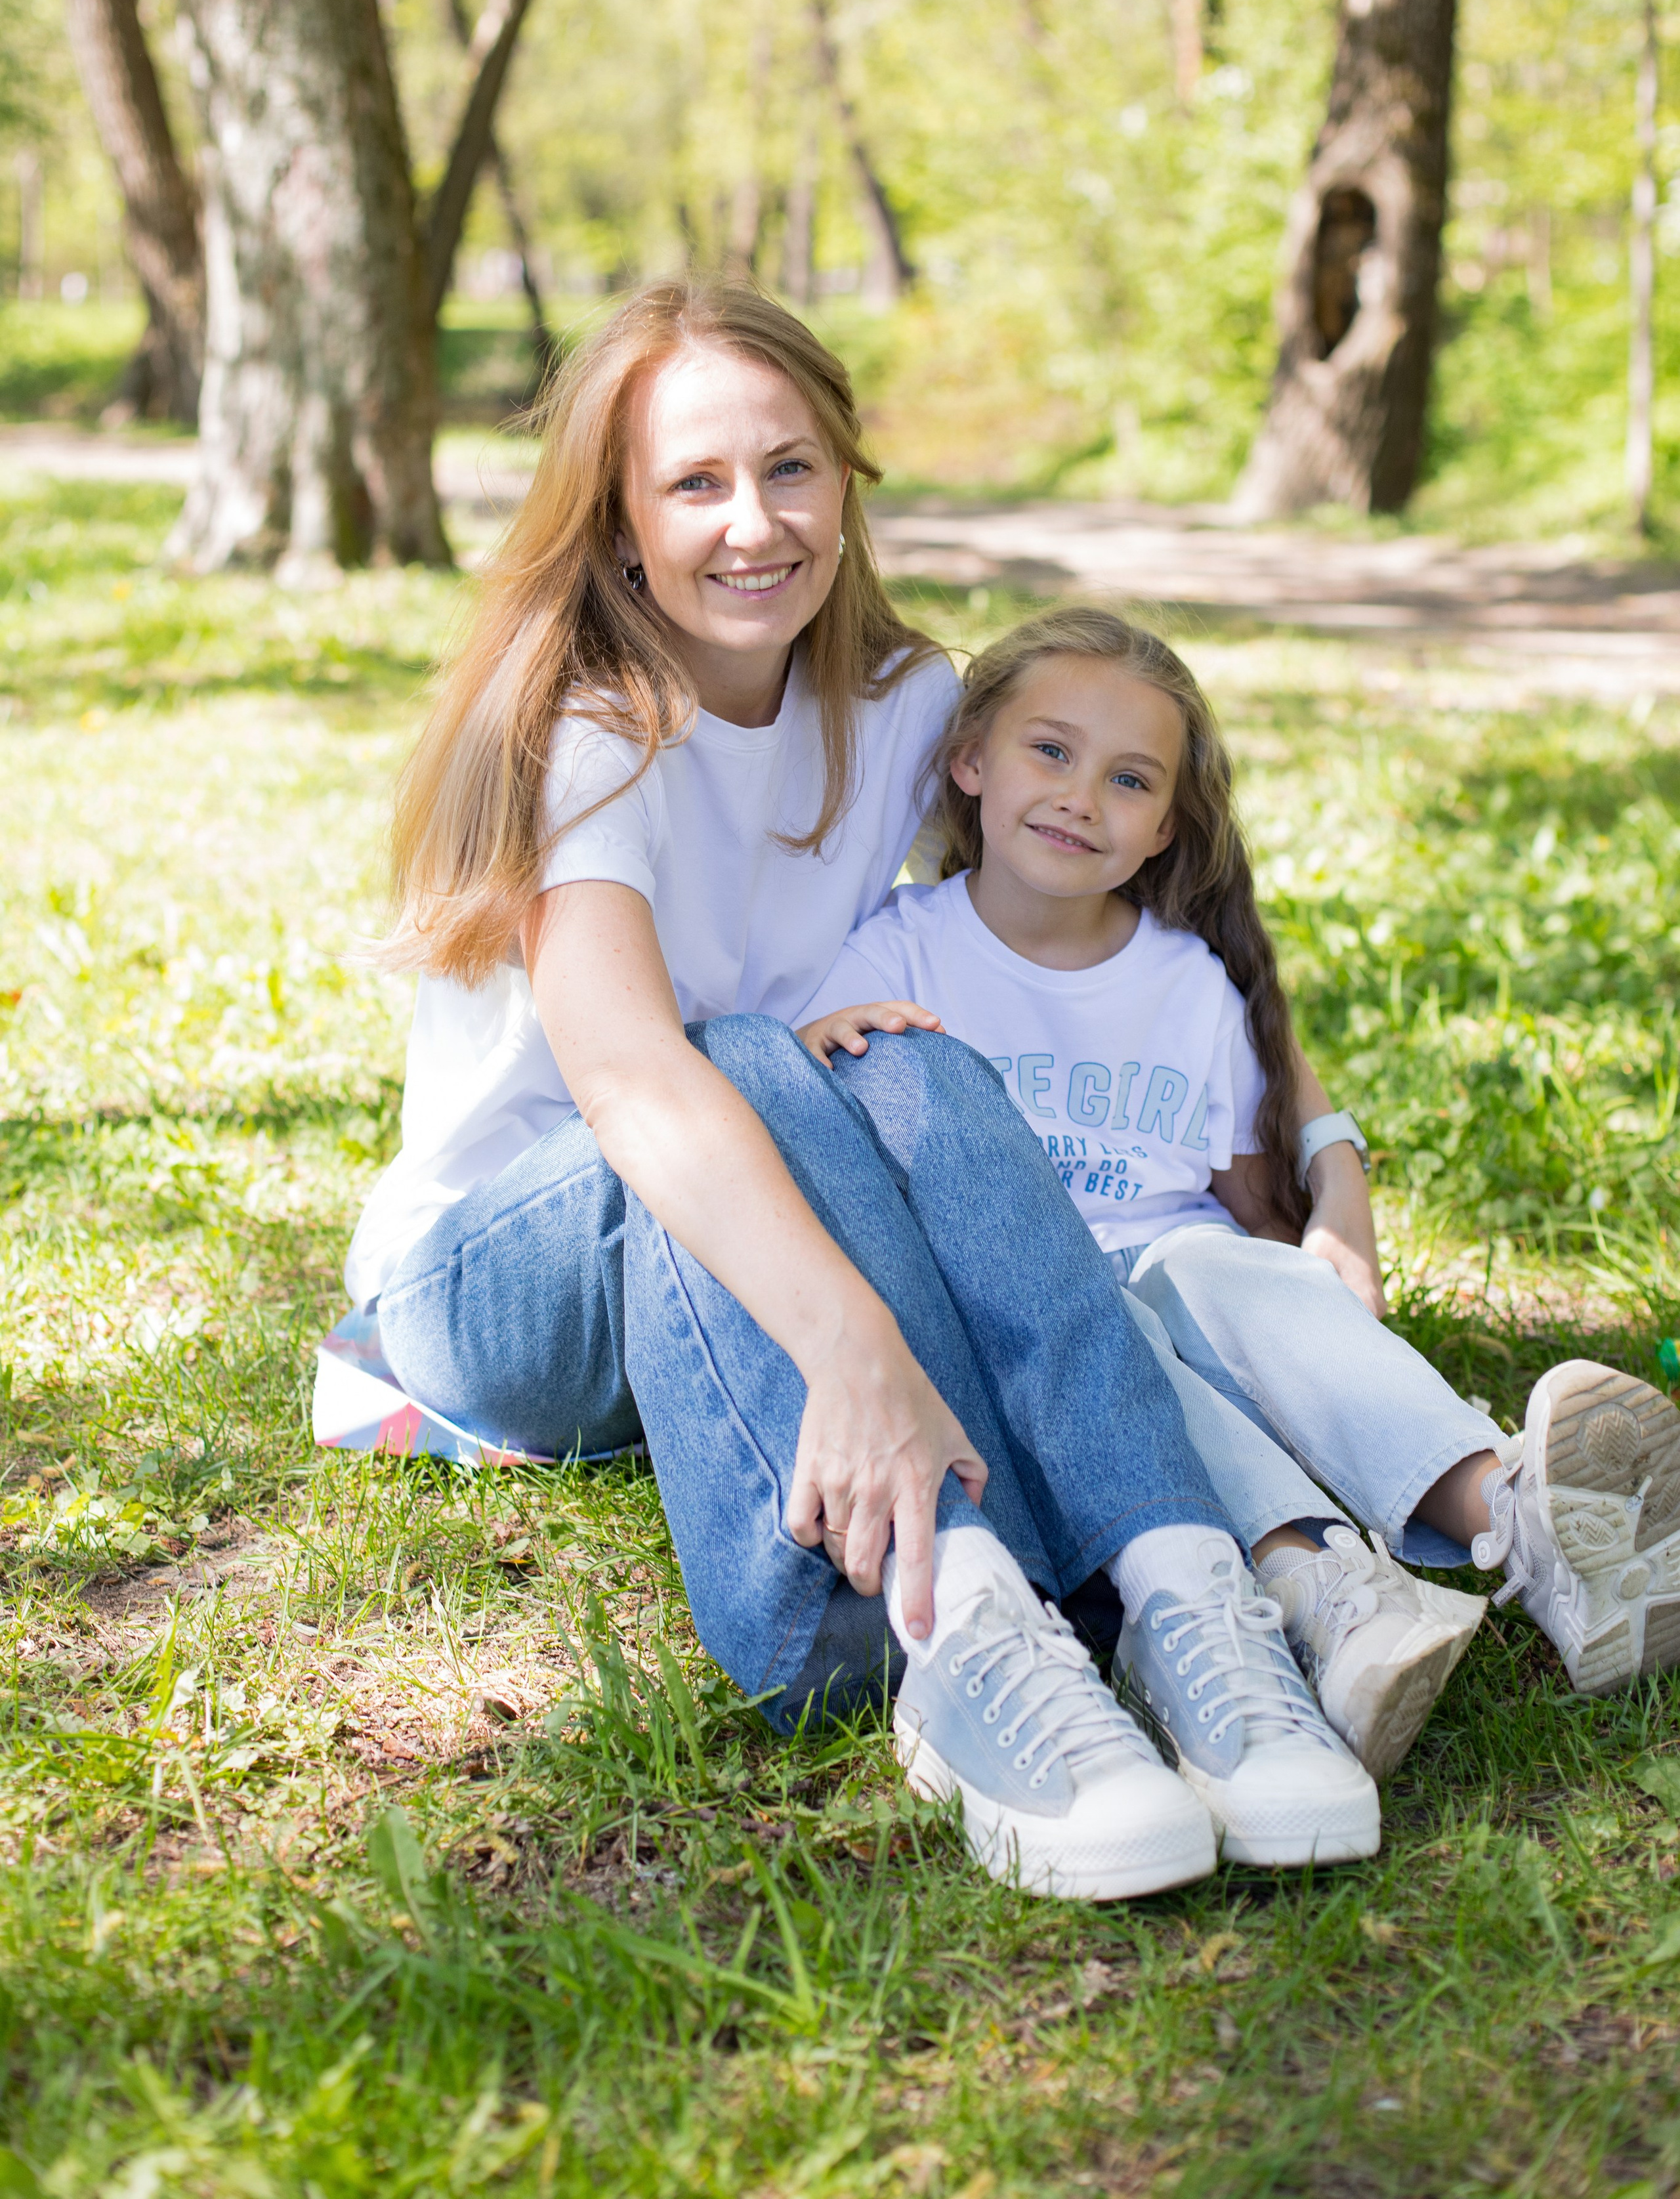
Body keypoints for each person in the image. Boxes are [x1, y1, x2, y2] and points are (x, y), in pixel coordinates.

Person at [343, 281, 1377, 1904]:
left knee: (892, 1053)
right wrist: (857, 1349)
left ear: (846, 481)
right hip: (503, 1277)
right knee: (743, 1057)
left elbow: (1155, 923)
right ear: (616, 527)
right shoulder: (585, 734)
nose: (752, 524)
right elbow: (628, 1078)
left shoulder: (903, 707)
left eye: (791, 470)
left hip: (750, 1195)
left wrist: (1323, 1160)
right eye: (692, 484)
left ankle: (1183, 1595)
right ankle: (957, 1633)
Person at [799, 606, 1680, 1766]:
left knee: (1222, 1268)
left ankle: (1513, 1514)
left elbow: (1243, 1186)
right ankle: (1325, 1586)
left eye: (1128, 779)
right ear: (970, 762)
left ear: (1165, 828)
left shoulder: (1189, 985)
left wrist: (1321, 1238)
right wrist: (826, 1038)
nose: (1079, 797)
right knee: (1119, 1325)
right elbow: (811, 1103)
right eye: (1049, 751)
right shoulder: (899, 949)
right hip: (1028, 1314)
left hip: (1180, 1268)